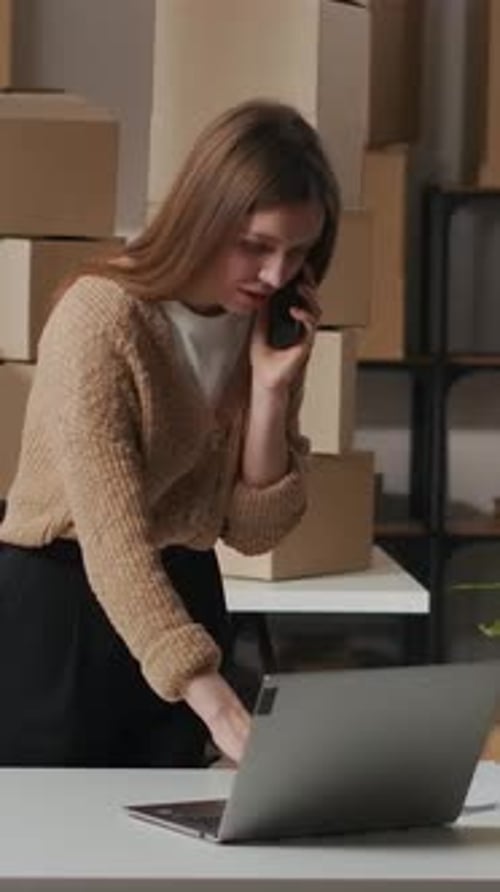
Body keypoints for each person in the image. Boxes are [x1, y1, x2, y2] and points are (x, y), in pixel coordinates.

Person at [0, 99, 340, 768]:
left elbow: (252, 530)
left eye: (297, 252)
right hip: (65, 611)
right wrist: (218, 702)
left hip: (184, 594)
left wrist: (270, 391)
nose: (275, 275)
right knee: (55, 856)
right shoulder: (101, 319)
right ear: (202, 221)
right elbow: (114, 539)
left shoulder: (267, 324)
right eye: (256, 246)